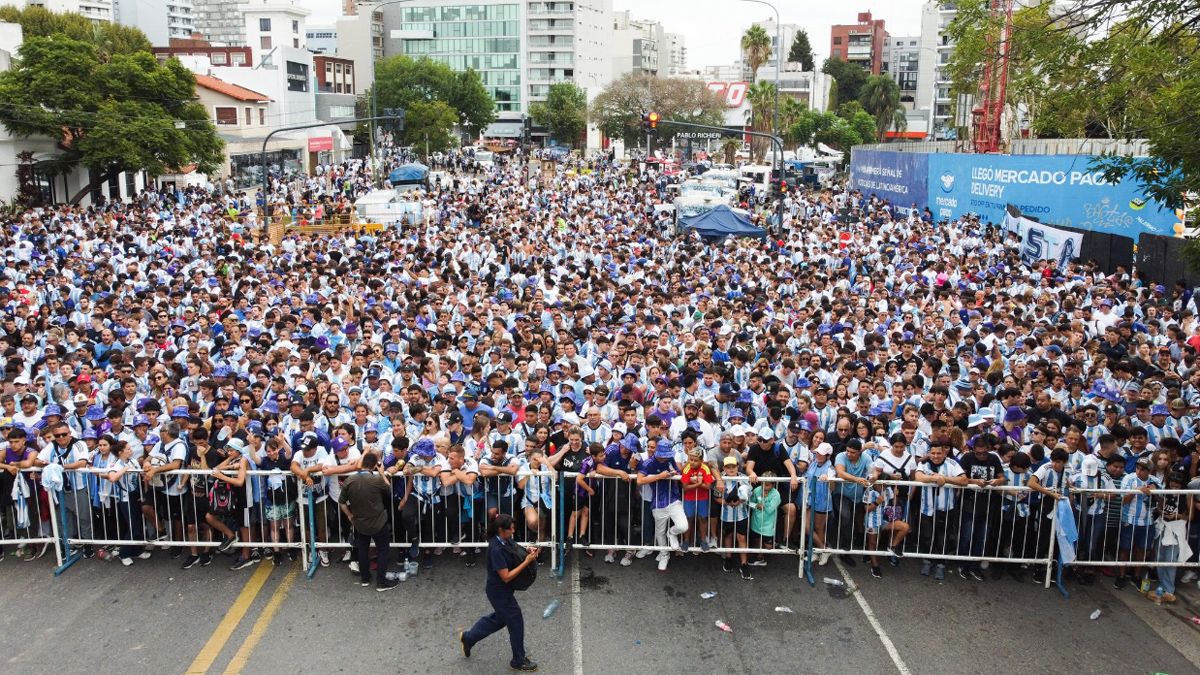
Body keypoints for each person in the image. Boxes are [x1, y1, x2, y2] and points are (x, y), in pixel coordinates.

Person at [460, 513, 539, 672]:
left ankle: (468, 638)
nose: (513, 531)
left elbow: (514, 548)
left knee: (500, 619)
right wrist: (527, 562)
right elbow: (506, 576)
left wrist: (527, 551)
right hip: (499, 591)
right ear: (501, 530)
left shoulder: (505, 539)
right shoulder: (495, 549)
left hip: (503, 590)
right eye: (511, 529)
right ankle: (518, 660)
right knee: (515, 619)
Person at [339, 452, 397, 591]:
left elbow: (342, 502)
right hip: (378, 521)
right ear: (374, 465)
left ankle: (365, 578)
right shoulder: (376, 480)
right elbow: (388, 489)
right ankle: (381, 582)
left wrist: (350, 516)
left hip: (359, 522)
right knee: (383, 550)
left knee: (362, 550)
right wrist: (381, 473)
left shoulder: (349, 480)